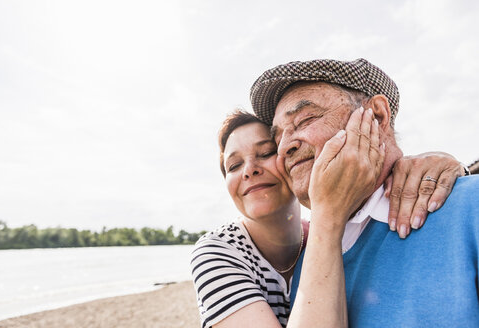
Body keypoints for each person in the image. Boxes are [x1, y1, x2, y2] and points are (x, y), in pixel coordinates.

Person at [250, 58, 478, 327]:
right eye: (277, 138)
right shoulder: (307, 261)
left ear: (378, 116)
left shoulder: (469, 207)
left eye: (305, 119)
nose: (284, 147)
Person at [190, 111, 466, 327]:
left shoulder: (336, 233)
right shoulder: (217, 252)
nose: (249, 170)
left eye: (265, 153)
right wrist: (328, 214)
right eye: (234, 165)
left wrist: (440, 164)